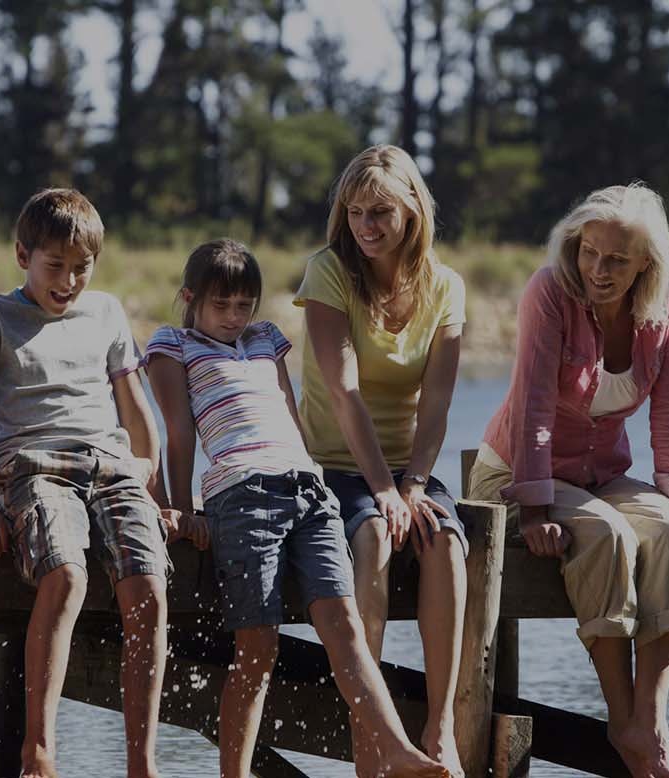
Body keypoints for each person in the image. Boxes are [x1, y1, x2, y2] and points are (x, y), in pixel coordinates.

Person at [144, 239, 450, 778]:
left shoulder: (265, 339)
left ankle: (395, 750)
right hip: (242, 494)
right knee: (257, 645)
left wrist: (313, 470)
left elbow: (290, 411)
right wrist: (177, 507)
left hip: (309, 490)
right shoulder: (173, 345)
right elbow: (177, 431)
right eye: (221, 306)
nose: (234, 318)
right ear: (190, 298)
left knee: (344, 624)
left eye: (244, 305)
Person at [465, 184, 669, 778]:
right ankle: (622, 720)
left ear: (646, 265)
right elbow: (533, 407)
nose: (598, 271)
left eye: (616, 260)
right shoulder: (549, 291)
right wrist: (533, 509)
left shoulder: (668, 304)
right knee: (606, 535)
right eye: (590, 253)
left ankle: (651, 727)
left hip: (604, 473)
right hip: (520, 470)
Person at [0, 188, 178, 778]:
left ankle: (141, 762)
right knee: (66, 573)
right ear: (22, 255)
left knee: (148, 587)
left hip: (113, 469)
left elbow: (135, 408)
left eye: (82, 267)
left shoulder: (106, 312)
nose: (69, 280)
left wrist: (158, 493)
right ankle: (39, 749)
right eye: (56, 266)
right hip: (34, 467)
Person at [296, 145, 469, 772]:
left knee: (445, 543)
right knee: (371, 537)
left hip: (406, 468)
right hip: (333, 463)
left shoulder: (446, 287)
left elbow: (439, 402)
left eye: (381, 214)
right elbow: (343, 393)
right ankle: (369, 730)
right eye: (356, 212)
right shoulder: (329, 272)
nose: (366, 227)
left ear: (412, 214)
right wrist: (383, 490)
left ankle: (441, 722)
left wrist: (415, 484)